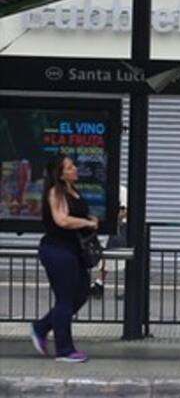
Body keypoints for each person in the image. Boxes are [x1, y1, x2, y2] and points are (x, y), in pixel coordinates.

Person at [30, 155, 99, 363]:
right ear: (60, 173)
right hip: (58, 251)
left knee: (80, 294)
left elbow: (76, 215)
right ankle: (65, 349)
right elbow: (61, 219)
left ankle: (41, 327)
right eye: (70, 167)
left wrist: (91, 219)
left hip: (73, 251)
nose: (75, 169)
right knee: (65, 299)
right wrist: (86, 223)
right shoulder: (55, 192)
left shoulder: (73, 191)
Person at [90, 185, 128, 299]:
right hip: (110, 228)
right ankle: (98, 284)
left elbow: (125, 210)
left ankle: (99, 284)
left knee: (124, 257)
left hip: (121, 227)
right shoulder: (102, 190)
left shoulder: (121, 190)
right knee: (106, 256)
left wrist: (111, 219)